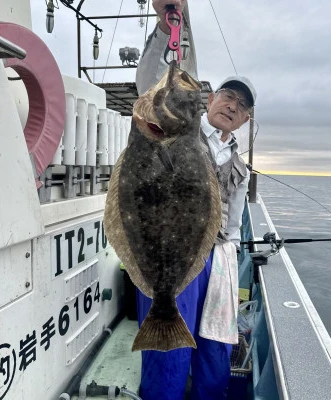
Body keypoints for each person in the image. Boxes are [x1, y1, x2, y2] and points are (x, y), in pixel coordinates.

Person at [135, 1, 257, 399]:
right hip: (170, 250)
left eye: (241, 106)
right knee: (166, 348)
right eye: (226, 96)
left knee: (215, 350)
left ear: (245, 119)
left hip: (216, 258)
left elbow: (235, 224)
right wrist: (169, 23)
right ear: (209, 99)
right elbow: (153, 84)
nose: (232, 105)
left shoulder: (241, 168)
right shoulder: (178, 126)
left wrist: (229, 255)